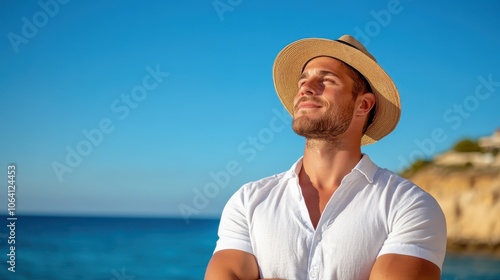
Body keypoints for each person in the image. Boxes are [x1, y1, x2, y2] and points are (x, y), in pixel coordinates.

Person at [205, 35, 447, 280]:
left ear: (363, 105)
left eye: (327, 80)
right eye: (303, 80)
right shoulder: (249, 201)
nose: (305, 88)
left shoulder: (408, 205)